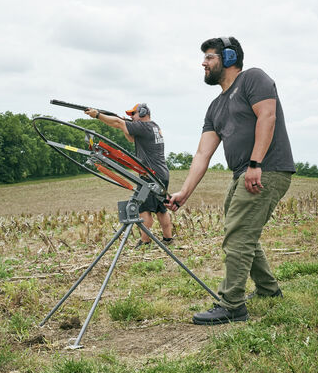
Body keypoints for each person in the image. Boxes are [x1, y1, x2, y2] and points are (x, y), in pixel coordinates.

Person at [166, 36, 295, 325]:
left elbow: (268, 116)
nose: (203, 63)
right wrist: (184, 192)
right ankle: (268, 290)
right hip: (243, 173)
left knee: (238, 235)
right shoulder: (215, 107)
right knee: (241, 231)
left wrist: (255, 163)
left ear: (227, 58)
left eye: (209, 57)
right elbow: (202, 153)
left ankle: (232, 304)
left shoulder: (252, 79)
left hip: (267, 169)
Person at [85, 103, 174, 248]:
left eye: (133, 114)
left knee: (142, 208)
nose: (131, 117)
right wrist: (125, 126)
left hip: (150, 175)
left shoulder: (143, 126)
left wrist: (97, 115)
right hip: (161, 173)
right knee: (160, 208)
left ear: (144, 113)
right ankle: (168, 239)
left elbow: (118, 123)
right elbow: (131, 139)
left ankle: (145, 242)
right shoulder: (153, 127)